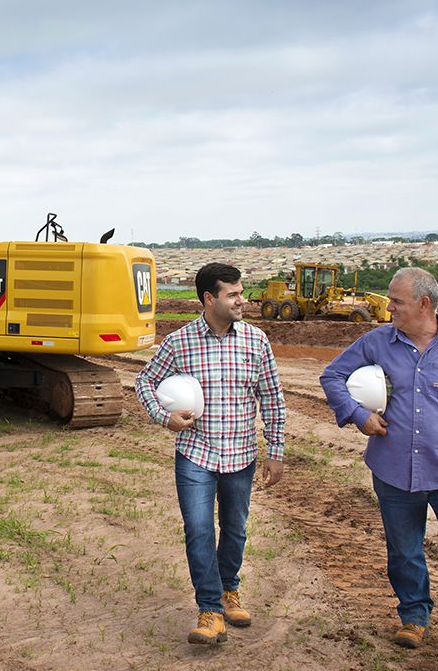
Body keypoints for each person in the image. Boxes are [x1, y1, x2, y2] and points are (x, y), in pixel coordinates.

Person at [319, 267, 438, 670]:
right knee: (404, 551)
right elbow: (331, 375)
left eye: (396, 301)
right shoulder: (376, 342)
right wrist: (356, 415)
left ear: (424, 304)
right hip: (392, 468)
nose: (388, 307)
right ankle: (414, 616)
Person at [135, 262, 286, 645]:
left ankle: (228, 590)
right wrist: (163, 416)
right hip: (195, 454)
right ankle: (210, 611)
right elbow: (145, 381)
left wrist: (276, 450)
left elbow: (272, 398)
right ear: (208, 298)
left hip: (240, 454)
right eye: (232, 294)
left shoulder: (256, 341)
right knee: (199, 529)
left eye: (241, 292)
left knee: (234, 529)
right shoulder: (179, 342)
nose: (242, 300)